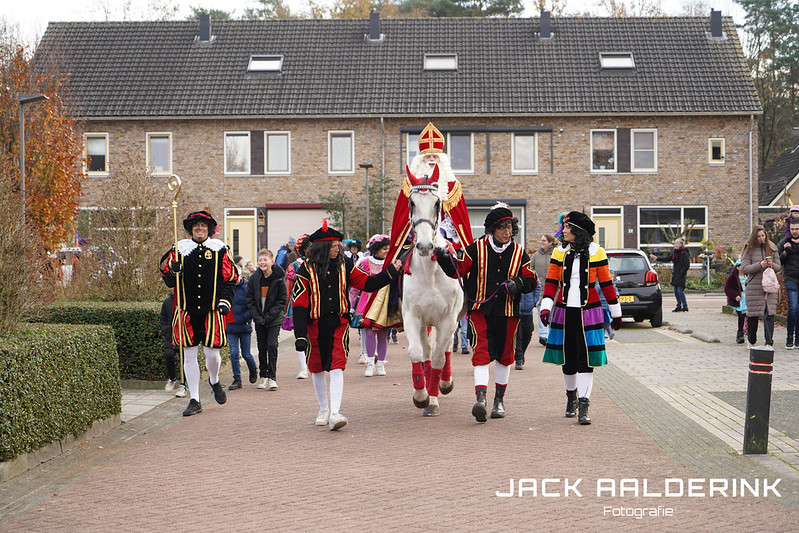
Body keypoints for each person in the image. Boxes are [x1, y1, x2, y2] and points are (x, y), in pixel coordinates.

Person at [292, 220, 401, 430]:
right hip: (314, 324)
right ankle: (323, 408)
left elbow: (368, 283)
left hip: (339, 323)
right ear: (324, 248)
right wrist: (300, 336)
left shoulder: (345, 265)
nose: (338, 249)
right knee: (316, 368)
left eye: (338, 246)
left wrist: (391, 272)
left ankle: (334, 412)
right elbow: (300, 304)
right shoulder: (305, 269)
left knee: (337, 365)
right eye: (334, 247)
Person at [436, 203, 537, 422]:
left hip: (509, 312)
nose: (507, 232)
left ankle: (499, 401)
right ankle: (480, 399)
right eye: (502, 227)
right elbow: (458, 271)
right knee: (481, 353)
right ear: (492, 229)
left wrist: (518, 283)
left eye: (510, 227)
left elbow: (532, 280)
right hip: (481, 310)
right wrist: (444, 258)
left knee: (505, 357)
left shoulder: (520, 252)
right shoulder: (476, 249)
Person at [539, 211, 622, 425]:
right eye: (564, 227)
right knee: (568, 359)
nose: (563, 231)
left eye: (567, 228)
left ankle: (584, 405)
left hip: (590, 312)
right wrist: (546, 306)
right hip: (565, 312)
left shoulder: (597, 252)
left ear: (578, 231)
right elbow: (551, 282)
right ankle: (571, 398)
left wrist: (615, 312)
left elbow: (606, 284)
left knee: (586, 360)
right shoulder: (559, 252)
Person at [160, 210, 236, 416]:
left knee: (212, 354)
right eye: (196, 226)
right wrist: (174, 271)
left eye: (203, 226)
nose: (199, 229)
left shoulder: (220, 250)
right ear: (191, 229)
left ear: (209, 229)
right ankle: (195, 399)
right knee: (189, 355)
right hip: (187, 311)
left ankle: (214, 380)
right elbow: (168, 279)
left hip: (212, 311)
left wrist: (225, 301)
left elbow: (230, 280)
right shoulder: (180, 250)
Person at [352, 234, 401, 377]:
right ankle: (370, 363)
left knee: (383, 334)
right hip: (367, 302)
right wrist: (352, 304)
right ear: (376, 249)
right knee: (369, 332)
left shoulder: (392, 263)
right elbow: (356, 285)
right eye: (384, 248)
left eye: (388, 248)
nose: (386, 251)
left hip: (385, 303)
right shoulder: (364, 262)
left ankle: (381, 364)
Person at [246, 248, 287, 390]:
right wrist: (258, 317)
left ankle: (272, 377)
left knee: (272, 345)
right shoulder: (254, 278)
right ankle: (263, 375)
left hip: (274, 319)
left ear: (272, 261)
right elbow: (250, 299)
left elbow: (282, 300)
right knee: (262, 347)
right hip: (259, 319)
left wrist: (269, 317)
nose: (262, 262)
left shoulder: (279, 278)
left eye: (265, 260)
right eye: (260, 260)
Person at [740, 225, 781, 348]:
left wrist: (770, 264)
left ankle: (769, 342)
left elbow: (779, 267)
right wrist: (760, 265)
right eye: (758, 236)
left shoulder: (772, 248)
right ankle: (751, 340)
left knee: (769, 314)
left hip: (770, 286)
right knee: (754, 314)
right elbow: (745, 267)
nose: (761, 238)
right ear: (754, 237)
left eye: (763, 236)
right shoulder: (749, 249)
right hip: (755, 286)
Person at [226, 265, 258, 390]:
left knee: (246, 354)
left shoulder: (246, 288)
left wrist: (244, 318)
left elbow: (252, 306)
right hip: (231, 327)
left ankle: (253, 368)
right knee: (234, 353)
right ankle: (237, 379)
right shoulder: (226, 288)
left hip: (244, 326)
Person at [284, 234, 310, 379]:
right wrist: (286, 305)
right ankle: (303, 367)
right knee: (300, 336)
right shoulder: (294, 265)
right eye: (308, 248)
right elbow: (289, 287)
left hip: (315, 303)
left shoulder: (320, 263)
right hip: (298, 303)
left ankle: (312, 363)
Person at [651, 237, 691, 312]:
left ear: (681, 244)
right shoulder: (675, 253)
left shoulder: (684, 253)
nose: (675, 245)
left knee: (680, 291)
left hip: (681, 275)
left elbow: (687, 265)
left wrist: (681, 273)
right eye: (674, 243)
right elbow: (667, 258)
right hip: (676, 274)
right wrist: (657, 258)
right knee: (676, 291)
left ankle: (685, 306)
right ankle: (678, 306)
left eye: (676, 243)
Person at [531, 234, 557, 345]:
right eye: (541, 240)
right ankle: (543, 336)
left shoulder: (556, 255)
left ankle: (552, 336)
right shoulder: (536, 256)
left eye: (544, 240)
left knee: (553, 314)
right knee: (542, 312)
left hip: (555, 290)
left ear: (551, 242)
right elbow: (531, 270)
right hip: (540, 290)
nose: (541, 242)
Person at [159, 293, 185, 397]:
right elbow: (163, 318)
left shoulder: (186, 300)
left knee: (185, 359)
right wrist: (166, 330)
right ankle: (172, 378)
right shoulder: (167, 302)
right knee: (168, 354)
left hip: (184, 335)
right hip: (171, 335)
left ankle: (183, 384)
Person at [779, 219, 799, 348]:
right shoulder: (784, 242)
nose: (795, 232)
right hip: (791, 278)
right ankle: (789, 337)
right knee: (794, 307)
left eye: (797, 229)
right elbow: (779, 261)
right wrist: (786, 251)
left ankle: (798, 339)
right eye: (792, 229)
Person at [724, 259, 747, 344]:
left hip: (747, 297)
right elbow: (727, 288)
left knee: (746, 316)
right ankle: (740, 333)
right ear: (737, 267)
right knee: (741, 315)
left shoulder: (747, 275)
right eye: (742, 266)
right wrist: (735, 295)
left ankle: (747, 332)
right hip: (739, 299)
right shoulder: (733, 276)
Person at [514, 285, 535, 370]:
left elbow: (537, 287)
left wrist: (534, 301)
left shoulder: (531, 273)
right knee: (518, 336)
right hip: (516, 310)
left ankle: (521, 353)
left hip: (528, 311)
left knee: (528, 333)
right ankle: (518, 358)